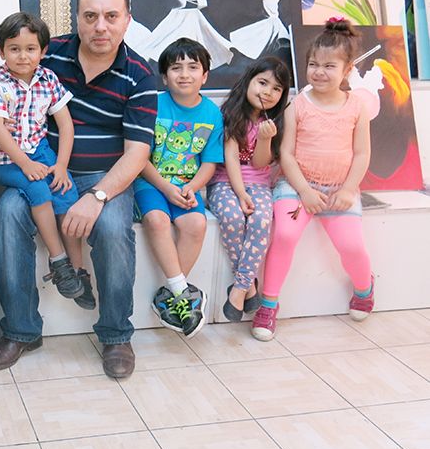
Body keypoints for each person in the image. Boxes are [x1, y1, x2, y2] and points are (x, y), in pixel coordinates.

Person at [0, 0, 158, 378]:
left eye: (111, 16)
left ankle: (116, 335)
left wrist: (97, 197)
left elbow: (137, 154)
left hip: (104, 177)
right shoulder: (47, 53)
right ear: (76, 17)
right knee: (8, 214)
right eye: (90, 16)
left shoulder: (140, 76)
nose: (100, 26)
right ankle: (21, 330)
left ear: (127, 20)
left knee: (112, 230)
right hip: (39, 169)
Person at [252, 19, 374, 341]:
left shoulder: (357, 107)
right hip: (296, 188)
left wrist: (348, 189)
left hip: (339, 190)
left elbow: (362, 153)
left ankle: (365, 288)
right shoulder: (297, 106)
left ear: (347, 70)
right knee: (285, 235)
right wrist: (304, 191)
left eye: (329, 66)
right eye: (313, 64)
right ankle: (268, 304)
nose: (319, 72)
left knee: (352, 245)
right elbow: (286, 154)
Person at [0, 12, 83, 300]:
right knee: (38, 189)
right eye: (14, 49)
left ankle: (78, 270)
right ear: (1, 51)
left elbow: (66, 125)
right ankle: (59, 260)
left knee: (65, 190)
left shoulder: (48, 79)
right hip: (4, 158)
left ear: (43, 51)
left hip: (40, 150)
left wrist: (60, 165)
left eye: (30, 49)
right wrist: (25, 164)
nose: (23, 56)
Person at [139, 38, 224, 338]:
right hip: (150, 182)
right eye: (176, 68)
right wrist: (165, 187)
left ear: (205, 75)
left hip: (188, 186)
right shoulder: (153, 104)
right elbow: (139, 157)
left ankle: (168, 295)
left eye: (192, 67)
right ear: (164, 77)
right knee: (156, 220)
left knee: (196, 224)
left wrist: (191, 187)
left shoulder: (212, 114)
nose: (184, 74)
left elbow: (209, 163)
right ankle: (182, 292)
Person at [207, 57, 290, 321]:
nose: (267, 92)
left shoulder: (275, 123)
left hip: (259, 183)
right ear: (248, 81)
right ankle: (249, 287)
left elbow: (260, 163)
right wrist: (241, 193)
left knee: (261, 219)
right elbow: (231, 158)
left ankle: (239, 288)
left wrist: (265, 139)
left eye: (276, 88)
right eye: (262, 83)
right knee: (232, 217)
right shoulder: (231, 115)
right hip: (224, 181)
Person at [229, 0, 295, 60]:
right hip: (274, 21)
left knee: (269, 34)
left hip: (273, 21)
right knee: (268, 35)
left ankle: (278, 46)